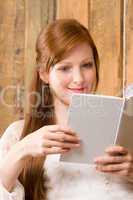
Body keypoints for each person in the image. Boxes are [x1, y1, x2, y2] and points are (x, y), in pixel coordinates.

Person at [0, 19, 133, 200]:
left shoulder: (124, 125)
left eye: (86, 65)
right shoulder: (18, 134)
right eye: (65, 68)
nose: (78, 79)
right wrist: (22, 150)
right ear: (44, 74)